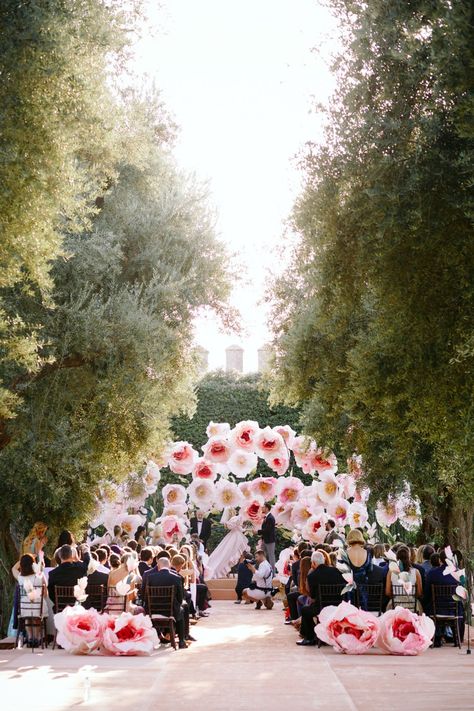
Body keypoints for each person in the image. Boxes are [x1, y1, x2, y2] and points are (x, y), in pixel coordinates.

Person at [297, 551, 345, 646]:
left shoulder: (312, 576)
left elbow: (313, 596)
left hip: (321, 607)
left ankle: (310, 638)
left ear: (314, 563)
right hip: (338, 606)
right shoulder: (337, 571)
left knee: (305, 610)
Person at [142, 557, 188, 649]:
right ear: (169, 565)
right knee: (181, 610)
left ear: (158, 566)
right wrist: (176, 606)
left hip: (153, 610)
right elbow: (180, 597)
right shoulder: (176, 578)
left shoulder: (150, 578)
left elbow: (145, 596)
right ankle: (182, 641)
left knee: (180, 609)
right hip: (170, 611)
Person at [205, 510, 249, 579]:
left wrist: (245, 529)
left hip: (236, 536)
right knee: (229, 554)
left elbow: (238, 527)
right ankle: (238, 572)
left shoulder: (234, 519)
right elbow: (235, 526)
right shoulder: (235, 518)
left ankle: (238, 572)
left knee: (228, 553)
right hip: (236, 537)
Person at [16, 553, 48, 646]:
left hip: (24, 608)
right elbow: (45, 594)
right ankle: (37, 638)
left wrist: (22, 560)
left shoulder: (20, 577)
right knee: (36, 616)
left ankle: (30, 638)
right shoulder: (40, 575)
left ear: (21, 565)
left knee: (28, 617)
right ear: (33, 564)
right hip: (38, 607)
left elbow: (13, 569)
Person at [47, 544, 91, 611]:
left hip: (61, 607)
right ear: (71, 556)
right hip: (77, 606)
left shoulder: (52, 574)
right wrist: (86, 551)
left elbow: (51, 594)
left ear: (60, 556)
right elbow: (87, 561)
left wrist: (58, 602)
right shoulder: (80, 569)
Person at [258, 503, 276, 572]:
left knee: (271, 556)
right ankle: (262, 570)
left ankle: (273, 573)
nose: (262, 508)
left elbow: (267, 530)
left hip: (270, 540)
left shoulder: (271, 518)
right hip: (264, 540)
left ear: (267, 508)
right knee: (261, 554)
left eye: (263, 507)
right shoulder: (266, 517)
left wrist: (257, 532)